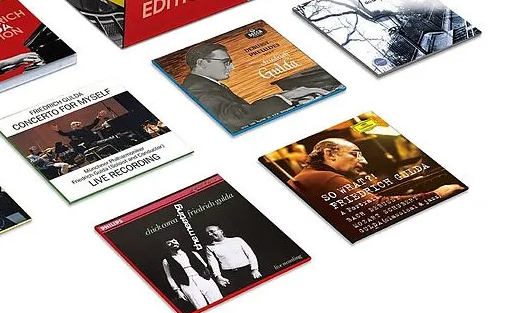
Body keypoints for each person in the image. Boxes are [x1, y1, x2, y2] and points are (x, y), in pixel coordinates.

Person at [289, 138, 465, 237]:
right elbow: (377, 206)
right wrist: (436, 194)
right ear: (330, 154)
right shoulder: (325, 178)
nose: (364, 161)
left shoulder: (312, 175)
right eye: (355, 154)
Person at [181, 42, 331, 133]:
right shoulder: (196, 88)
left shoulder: (203, 84)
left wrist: (287, 98)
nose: (231, 67)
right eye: (226, 62)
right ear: (202, 63)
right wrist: (287, 97)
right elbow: (235, 117)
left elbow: (238, 111)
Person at [162, 238, 223, 310]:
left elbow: (204, 265)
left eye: (174, 241)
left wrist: (207, 275)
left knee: (217, 300)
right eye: (169, 243)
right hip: (186, 284)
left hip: (202, 278)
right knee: (200, 306)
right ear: (166, 247)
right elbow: (169, 277)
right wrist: (177, 290)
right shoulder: (166, 261)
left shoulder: (193, 253)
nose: (173, 243)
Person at [204, 226, 261, 294]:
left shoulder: (237, 240)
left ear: (221, 231)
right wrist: (218, 276)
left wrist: (254, 269)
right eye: (207, 233)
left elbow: (250, 254)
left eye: (212, 231)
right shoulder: (209, 247)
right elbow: (213, 263)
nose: (210, 234)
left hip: (247, 271)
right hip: (229, 275)